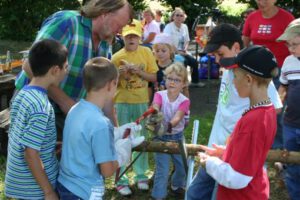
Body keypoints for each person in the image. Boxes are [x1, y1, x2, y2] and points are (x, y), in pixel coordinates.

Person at [186, 23, 282, 200]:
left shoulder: (254, 76)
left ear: (236, 47)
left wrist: (244, 132)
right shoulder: (231, 68)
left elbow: (274, 107)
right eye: (214, 55)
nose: (217, 60)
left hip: (235, 160)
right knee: (194, 194)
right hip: (219, 149)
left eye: (220, 54)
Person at [17, 0, 133, 137]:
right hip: (36, 108)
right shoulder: (67, 22)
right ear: (104, 13)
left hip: (68, 115)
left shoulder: (105, 43)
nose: (120, 32)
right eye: (119, 25)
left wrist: (116, 132)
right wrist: (67, 103)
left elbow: (103, 90)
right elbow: (30, 66)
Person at [57, 57, 139, 199]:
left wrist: (116, 133)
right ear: (111, 85)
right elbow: (107, 171)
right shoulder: (101, 123)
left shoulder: (74, 110)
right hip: (85, 192)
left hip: (65, 185)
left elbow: (85, 141)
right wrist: (121, 154)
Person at [5, 39, 68, 200]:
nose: (67, 71)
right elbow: (30, 153)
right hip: (36, 190)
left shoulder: (23, 94)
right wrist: (48, 192)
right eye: (65, 67)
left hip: (21, 183)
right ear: (55, 70)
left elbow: (21, 136)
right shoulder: (41, 107)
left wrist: (48, 144)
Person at [111, 19, 158, 196]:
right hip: (122, 102)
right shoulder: (116, 58)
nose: (131, 39)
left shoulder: (146, 52)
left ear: (140, 38)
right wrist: (120, 76)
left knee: (141, 136)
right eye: (128, 36)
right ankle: (121, 178)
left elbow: (153, 77)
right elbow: (111, 84)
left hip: (141, 102)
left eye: (135, 36)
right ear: (122, 38)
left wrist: (139, 72)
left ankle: (141, 175)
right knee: (122, 138)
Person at [242, 0, 294, 150]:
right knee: (255, 107)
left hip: (279, 70)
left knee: (277, 109)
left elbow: (295, 44)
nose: (261, 2)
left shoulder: (286, 18)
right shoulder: (252, 17)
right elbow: (244, 43)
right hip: (256, 71)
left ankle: (278, 146)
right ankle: (257, 139)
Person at [150, 63, 190, 200]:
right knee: (163, 170)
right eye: (169, 78)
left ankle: (176, 185)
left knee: (182, 168)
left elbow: (178, 117)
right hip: (160, 138)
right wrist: (154, 113)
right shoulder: (159, 95)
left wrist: (168, 125)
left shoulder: (184, 101)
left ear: (184, 84)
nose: (172, 82)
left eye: (177, 80)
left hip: (177, 138)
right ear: (165, 80)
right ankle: (158, 196)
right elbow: (155, 106)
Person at [276, 18, 300, 200]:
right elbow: (283, 86)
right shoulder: (288, 62)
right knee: (291, 161)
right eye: (288, 44)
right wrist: (278, 100)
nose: (291, 48)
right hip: (291, 122)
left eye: (295, 44)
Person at [163, 7, 204, 87]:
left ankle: (195, 82)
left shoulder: (184, 26)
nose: (179, 17)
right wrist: (178, 52)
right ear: (173, 17)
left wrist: (185, 50)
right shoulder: (169, 27)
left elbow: (187, 40)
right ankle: (182, 83)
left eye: (181, 15)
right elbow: (168, 42)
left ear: (184, 17)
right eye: (177, 15)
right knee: (183, 61)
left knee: (194, 62)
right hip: (172, 52)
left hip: (183, 51)